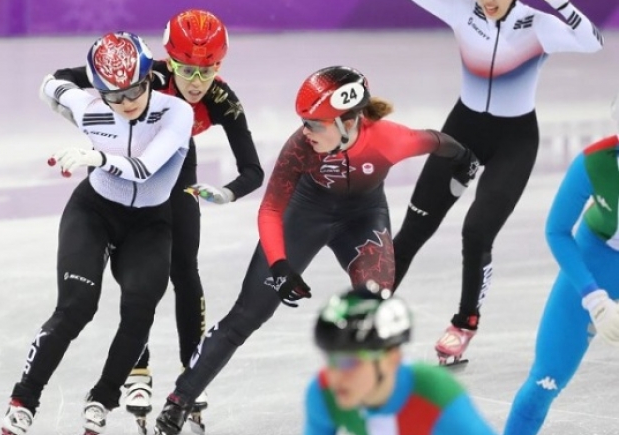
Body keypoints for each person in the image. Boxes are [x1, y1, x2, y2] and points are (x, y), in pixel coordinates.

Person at [152, 65, 482, 435]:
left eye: (315, 123)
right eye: (304, 122)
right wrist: (278, 264)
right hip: (306, 215)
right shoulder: (300, 147)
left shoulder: (389, 139)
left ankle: (373, 404)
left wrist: (465, 157)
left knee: (375, 306)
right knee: (248, 314)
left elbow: (435, 140)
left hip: (363, 218)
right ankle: (179, 401)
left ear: (348, 122)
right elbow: (272, 209)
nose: (305, 131)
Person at [393, 0, 604, 365]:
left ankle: (464, 323)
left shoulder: (539, 25)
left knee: (477, 232)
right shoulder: (459, 8)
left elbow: (592, 42)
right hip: (462, 132)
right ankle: (371, 305)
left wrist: (559, 0)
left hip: (515, 141)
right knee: (414, 229)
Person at [50, 9, 264, 426]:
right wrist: (75, 107)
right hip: (122, 162)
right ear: (168, 61)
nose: (198, 82)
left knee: (184, 270)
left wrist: (226, 192)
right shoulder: (144, 74)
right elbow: (69, 75)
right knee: (134, 273)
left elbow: (253, 169)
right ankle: (137, 365)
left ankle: (191, 371)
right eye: (187, 70)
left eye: (209, 70)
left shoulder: (221, 99)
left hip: (177, 168)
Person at [1, 31, 193, 435]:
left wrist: (96, 156)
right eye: (113, 96)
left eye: (134, 90)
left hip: (149, 223)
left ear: (149, 78)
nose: (125, 103)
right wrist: (92, 76)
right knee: (76, 307)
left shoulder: (176, 112)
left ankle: (102, 397)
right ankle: (24, 398)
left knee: (140, 310)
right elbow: (50, 84)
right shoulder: (90, 104)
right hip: (94, 213)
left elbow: (147, 167)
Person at [503, 97, 619, 435]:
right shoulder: (596, 162)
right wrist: (593, 297)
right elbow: (556, 230)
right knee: (545, 382)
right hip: (597, 259)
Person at [305, 281, 499, 435]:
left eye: (349, 363)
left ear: (391, 358)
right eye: (330, 359)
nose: (336, 376)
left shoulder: (434, 393)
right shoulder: (324, 392)